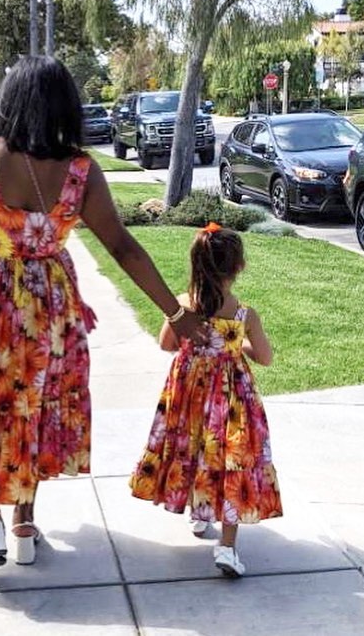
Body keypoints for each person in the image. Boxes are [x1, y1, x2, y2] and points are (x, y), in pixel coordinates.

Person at [0, 55, 209, 568]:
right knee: (37, 407)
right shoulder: (80, 171)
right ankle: (24, 521)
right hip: (51, 309)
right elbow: (123, 247)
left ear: (9, 102)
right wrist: (175, 314)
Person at [129, 222, 282, 577]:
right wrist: (234, 344)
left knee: (193, 449)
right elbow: (265, 357)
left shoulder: (182, 306)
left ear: (196, 263)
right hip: (231, 400)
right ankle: (226, 548)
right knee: (231, 459)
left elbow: (167, 344)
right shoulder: (245, 315)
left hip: (189, 396)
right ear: (239, 267)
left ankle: (199, 516)